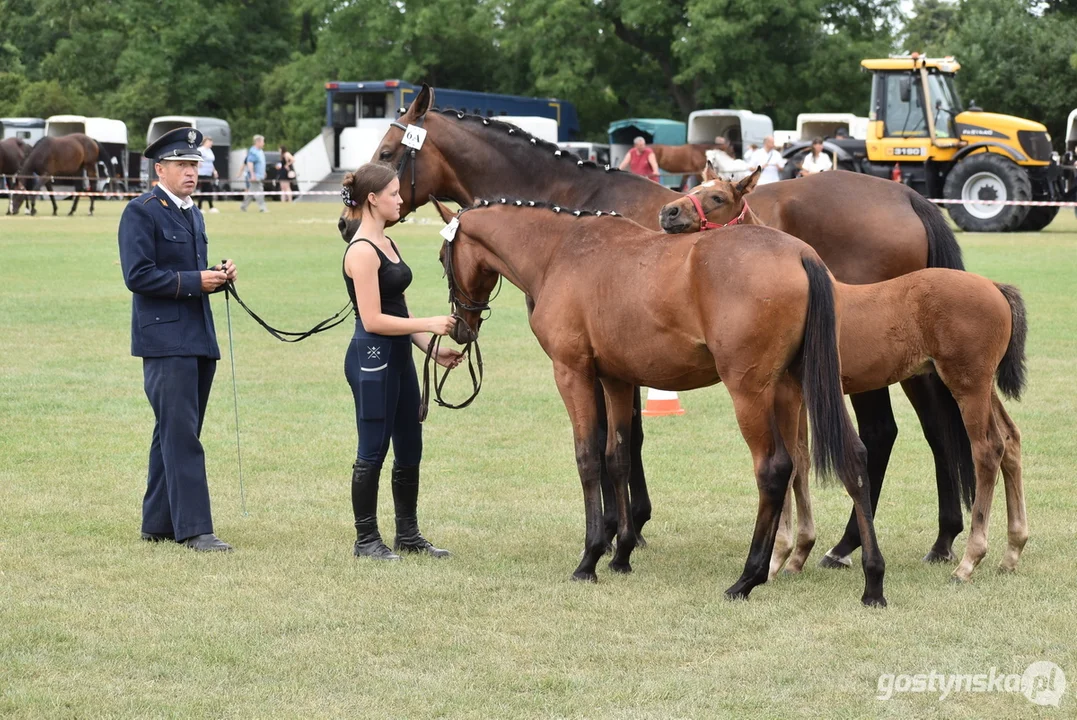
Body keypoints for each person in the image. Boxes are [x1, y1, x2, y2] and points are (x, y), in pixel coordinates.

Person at [117, 127, 237, 552]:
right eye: (183, 165)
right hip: (165, 341)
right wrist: (194, 280)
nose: (191, 172)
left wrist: (218, 277)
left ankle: (158, 522)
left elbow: (189, 274)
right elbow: (138, 275)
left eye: (195, 165)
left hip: (198, 337)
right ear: (160, 168)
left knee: (173, 430)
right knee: (182, 433)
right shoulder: (141, 211)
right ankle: (194, 529)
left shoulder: (193, 212)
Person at [340, 162, 464, 560]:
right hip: (371, 356)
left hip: (397, 355)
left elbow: (399, 309)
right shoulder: (361, 251)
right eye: (393, 194)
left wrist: (429, 346)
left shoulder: (389, 244)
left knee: (410, 446)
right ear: (372, 200)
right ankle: (366, 541)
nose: (400, 199)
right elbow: (373, 318)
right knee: (372, 449)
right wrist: (430, 322)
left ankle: (407, 535)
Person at [239, 134, 267, 213]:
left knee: (251, 193)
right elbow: (250, 163)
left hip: (259, 175)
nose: (263, 143)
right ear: (258, 142)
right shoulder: (253, 152)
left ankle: (243, 206)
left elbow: (260, 163)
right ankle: (262, 208)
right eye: (263, 141)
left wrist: (263, 172)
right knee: (259, 191)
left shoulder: (260, 151)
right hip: (255, 176)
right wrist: (252, 174)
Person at [196, 136, 219, 213]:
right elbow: (195, 158)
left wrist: (214, 171)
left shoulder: (210, 151)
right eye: (209, 142)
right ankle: (201, 207)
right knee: (205, 190)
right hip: (201, 173)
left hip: (209, 173)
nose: (211, 143)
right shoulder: (200, 150)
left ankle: (209, 207)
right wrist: (197, 162)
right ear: (205, 142)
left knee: (208, 190)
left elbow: (211, 162)